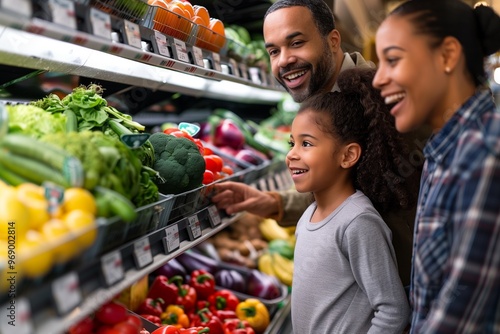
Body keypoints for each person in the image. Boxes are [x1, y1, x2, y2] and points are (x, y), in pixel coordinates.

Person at [212, 0, 427, 288]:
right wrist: (273, 203)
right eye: (274, 51)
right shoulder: (317, 108)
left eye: (296, 42)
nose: (284, 60)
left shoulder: (389, 105)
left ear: (333, 41)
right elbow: (341, 188)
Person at [372, 1, 500, 333]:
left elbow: (458, 317)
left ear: (446, 55)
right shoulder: (445, 150)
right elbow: (433, 293)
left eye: (393, 60)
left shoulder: (484, 155)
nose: (378, 79)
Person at [288, 67, 410, 333]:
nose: (292, 155)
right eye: (291, 144)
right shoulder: (307, 216)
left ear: (348, 155)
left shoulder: (357, 221)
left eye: (306, 144)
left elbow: (393, 311)